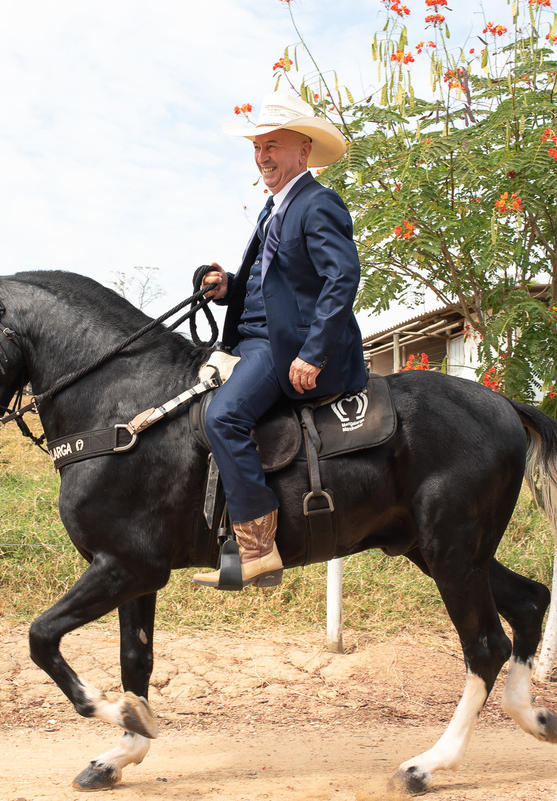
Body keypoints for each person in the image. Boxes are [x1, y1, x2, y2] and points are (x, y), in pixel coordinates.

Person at [193, 93, 367, 590]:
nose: (262, 156)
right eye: (257, 147)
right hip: (251, 340)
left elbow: (342, 278)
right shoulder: (273, 210)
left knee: (223, 417)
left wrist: (313, 353)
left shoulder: (318, 203)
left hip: (282, 347)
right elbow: (275, 285)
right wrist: (227, 286)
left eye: (272, 145)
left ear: (303, 151)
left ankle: (258, 549)